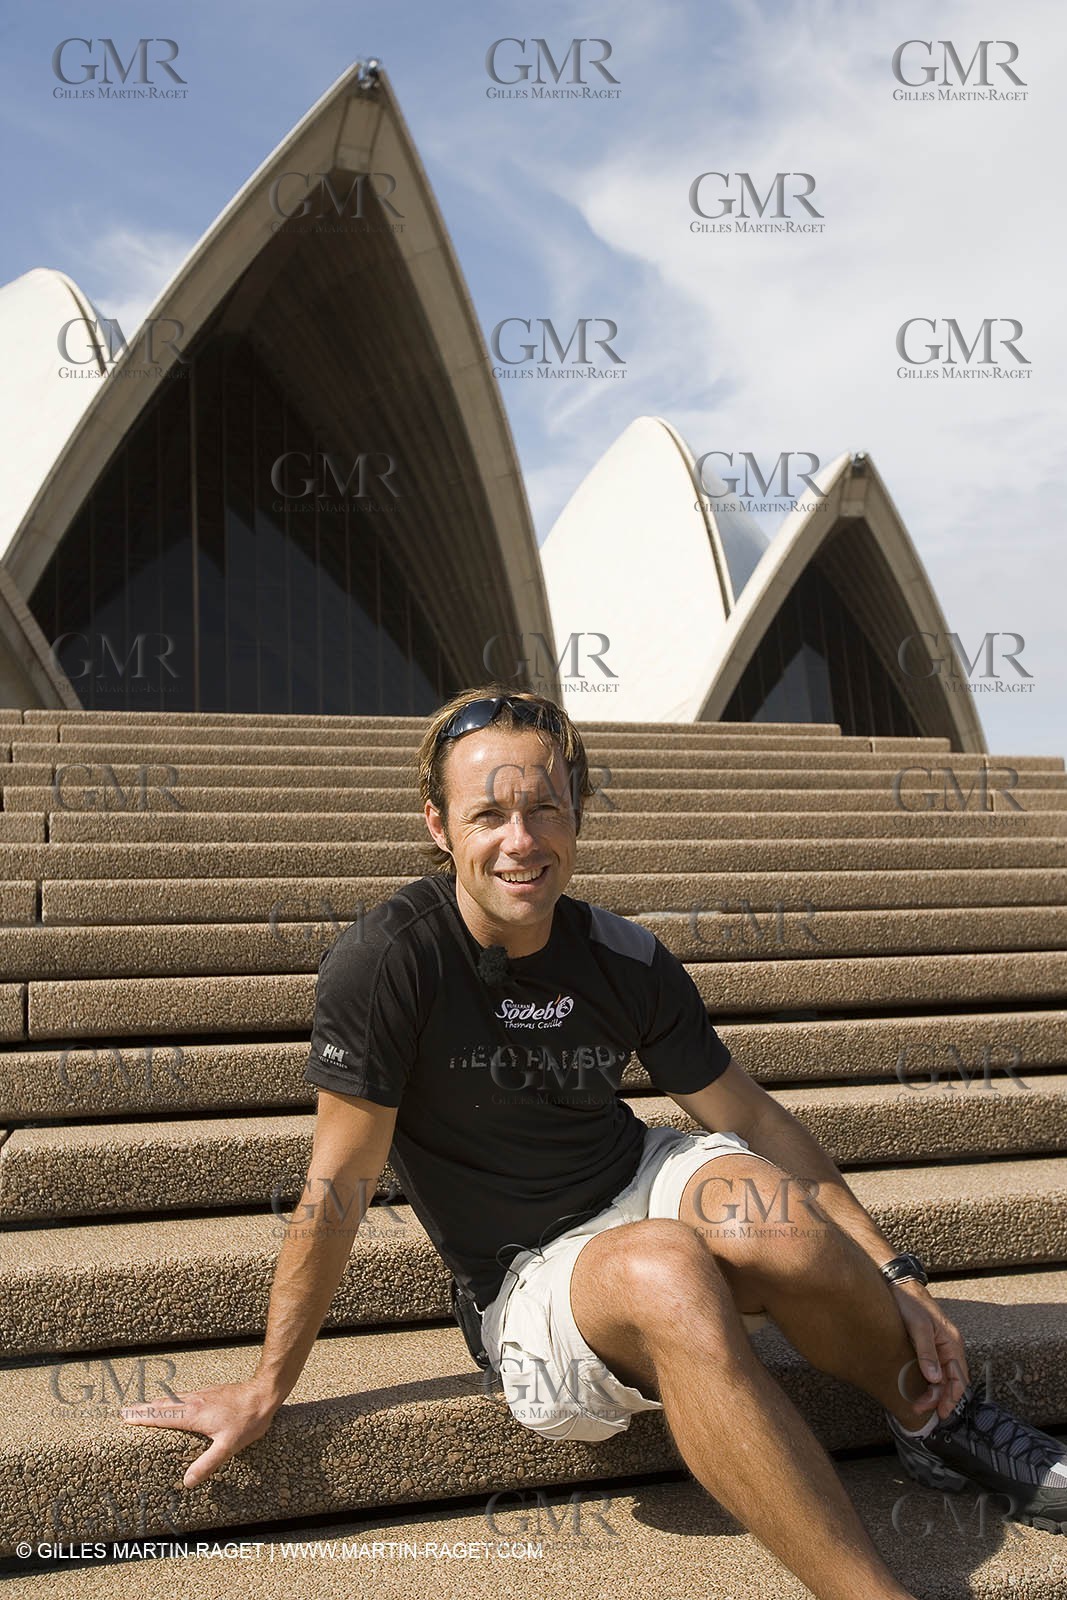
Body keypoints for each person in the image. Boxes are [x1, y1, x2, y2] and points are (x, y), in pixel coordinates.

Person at [123, 686, 1067, 1599]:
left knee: (774, 1216)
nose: (520, 840)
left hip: (632, 1172)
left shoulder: (622, 954)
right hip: (526, 1272)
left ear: (576, 816)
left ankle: (933, 1420)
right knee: (662, 1270)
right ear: (437, 827)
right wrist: (267, 1385)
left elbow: (753, 1118)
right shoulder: (386, 966)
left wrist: (892, 1270)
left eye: (544, 808)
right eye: (488, 814)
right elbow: (337, 1187)